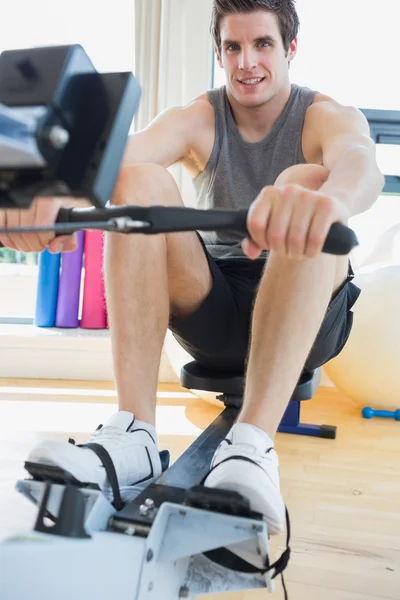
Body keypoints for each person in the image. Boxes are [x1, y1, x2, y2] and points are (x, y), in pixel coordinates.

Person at [0, 0, 384, 536]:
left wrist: (331, 201)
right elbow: (121, 157)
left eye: (263, 44)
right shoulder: (201, 118)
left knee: (306, 180)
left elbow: (359, 162)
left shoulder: (322, 115)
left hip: (309, 309)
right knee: (136, 180)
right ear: (219, 52)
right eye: (233, 47)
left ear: (290, 48)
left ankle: (251, 446)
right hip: (218, 310)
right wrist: (46, 195)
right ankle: (134, 434)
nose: (247, 61)